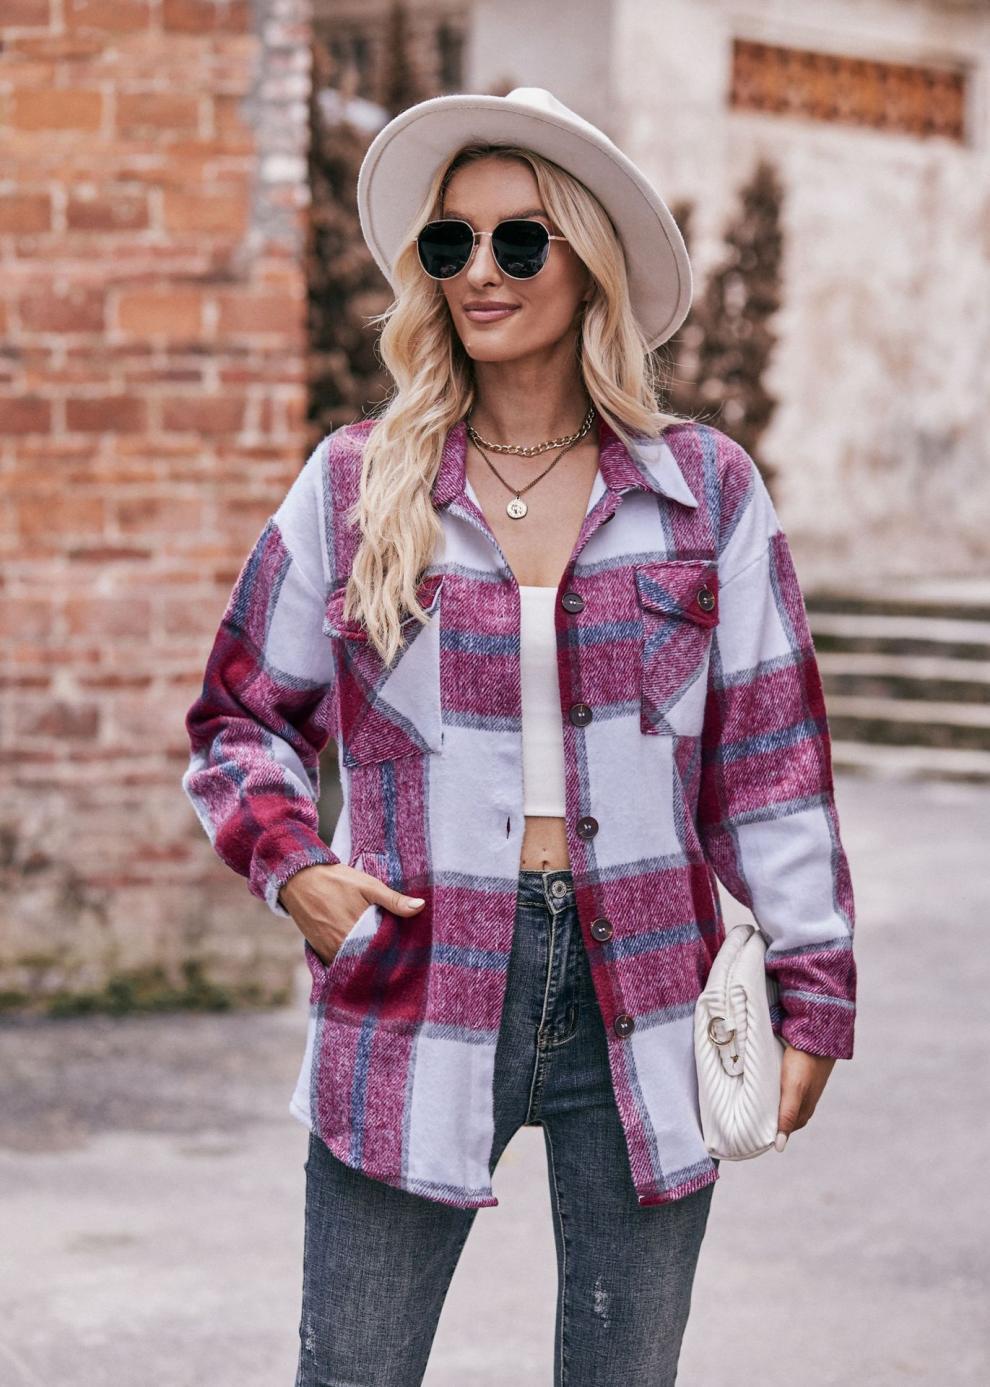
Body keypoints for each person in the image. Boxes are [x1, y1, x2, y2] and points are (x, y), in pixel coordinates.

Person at [181, 87, 857, 1387]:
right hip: (414, 968)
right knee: (352, 1372)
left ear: (588, 260)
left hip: (646, 984)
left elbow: (769, 763)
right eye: (451, 242)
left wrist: (815, 993)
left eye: (519, 240)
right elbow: (238, 718)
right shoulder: (356, 482)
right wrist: (295, 868)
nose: (480, 271)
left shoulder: (703, 491)